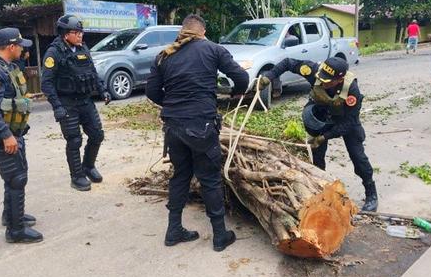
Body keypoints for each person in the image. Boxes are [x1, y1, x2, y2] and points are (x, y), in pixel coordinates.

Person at [146, 14, 249, 252]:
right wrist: (235, 93)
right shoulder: (213, 49)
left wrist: (172, 104)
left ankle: (173, 231)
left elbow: (152, 92)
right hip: (201, 125)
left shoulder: (164, 55)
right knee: (210, 179)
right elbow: (241, 77)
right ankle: (220, 235)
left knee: (181, 175)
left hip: (173, 126)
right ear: (202, 32)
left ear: (182, 32)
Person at [258, 57, 378, 212]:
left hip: (345, 120)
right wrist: (269, 76)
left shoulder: (351, 91)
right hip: (322, 115)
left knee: (358, 156)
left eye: (328, 81)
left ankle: (371, 193)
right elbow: (288, 63)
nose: (323, 82)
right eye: (321, 78)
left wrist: (324, 137)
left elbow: (348, 123)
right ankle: (319, 189)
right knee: (317, 157)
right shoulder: (314, 71)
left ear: (339, 79)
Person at [0, 28, 43, 243]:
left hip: (12, 133)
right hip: (1, 135)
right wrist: (6, 135)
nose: (23, 50)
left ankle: (12, 216)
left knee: (15, 177)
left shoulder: (7, 66)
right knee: (17, 177)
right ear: (11, 47)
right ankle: (16, 231)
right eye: (21, 46)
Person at [41, 15, 111, 191]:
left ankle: (88, 166)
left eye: (81, 32)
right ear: (65, 34)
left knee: (97, 135)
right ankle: (77, 176)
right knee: (74, 140)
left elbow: (92, 72)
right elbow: (46, 83)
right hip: (67, 103)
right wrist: (57, 106)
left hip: (85, 101)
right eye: (76, 32)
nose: (80, 35)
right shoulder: (54, 53)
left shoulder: (82, 48)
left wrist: (102, 90)